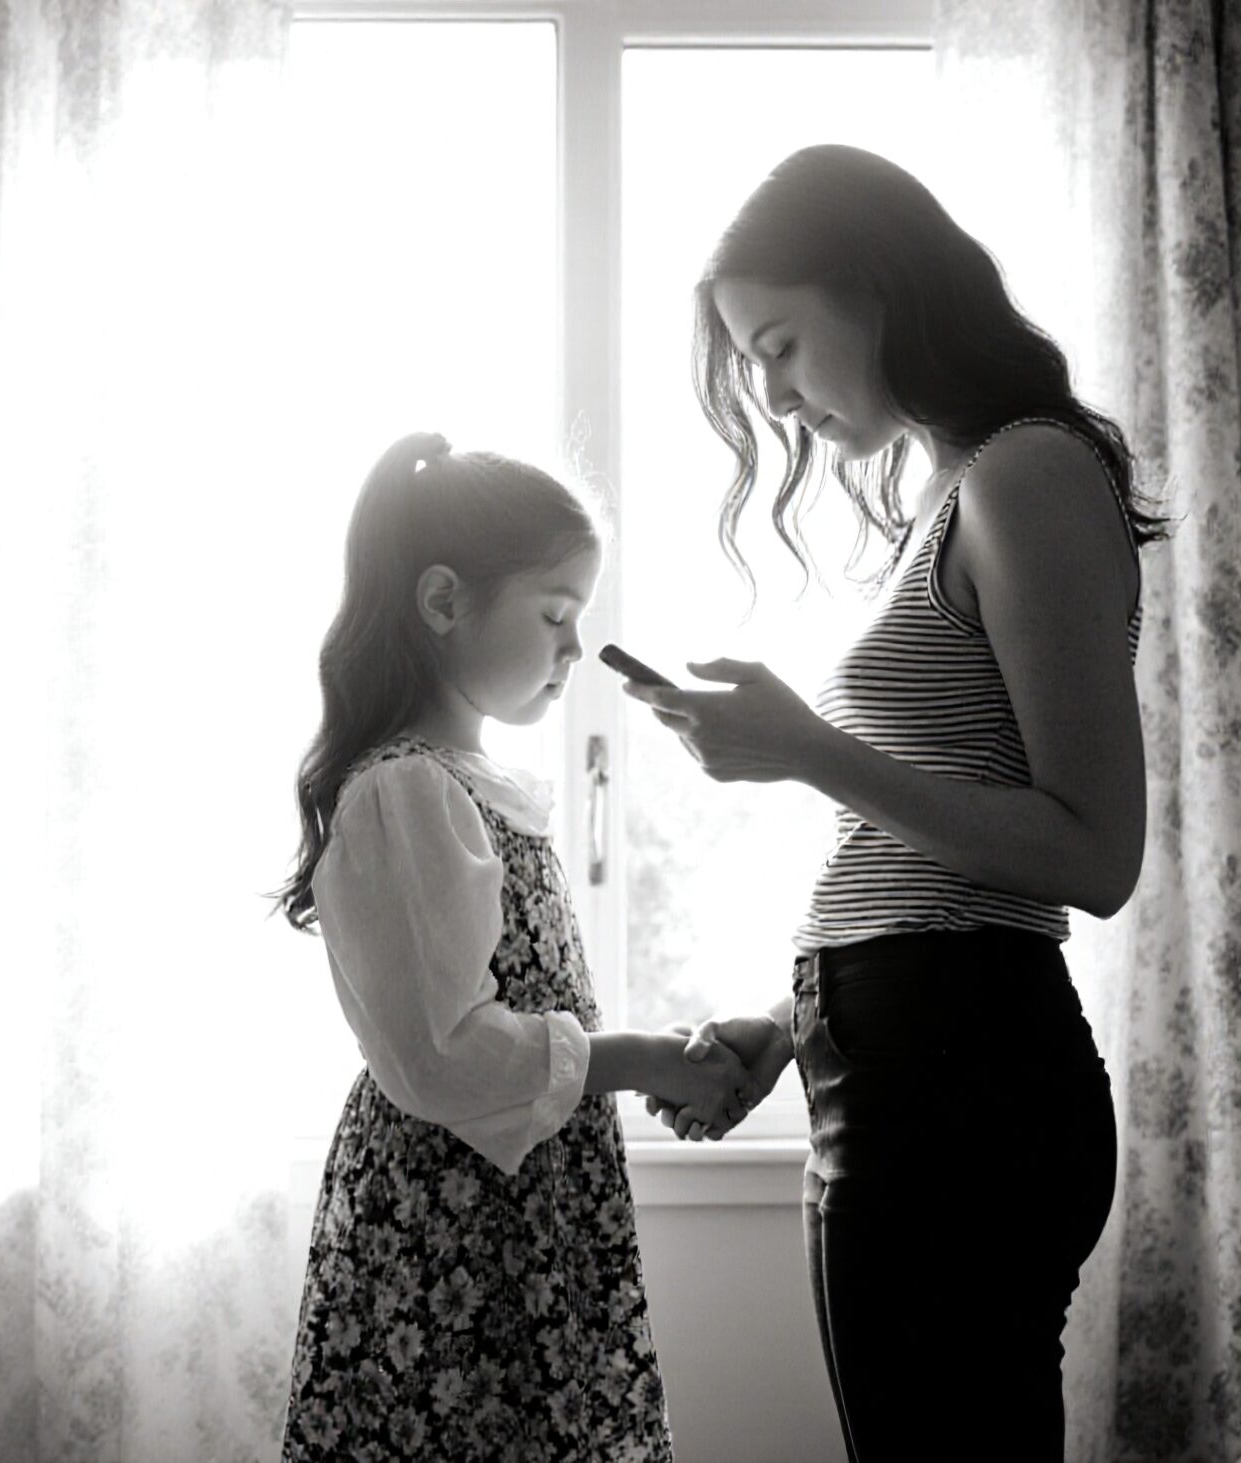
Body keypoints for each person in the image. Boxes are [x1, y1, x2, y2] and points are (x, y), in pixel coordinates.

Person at [625, 144, 1164, 1461]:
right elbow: (931, 854)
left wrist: (808, 747)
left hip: (961, 1079)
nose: (773, 393)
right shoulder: (959, 489)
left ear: (875, 292)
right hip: (906, 1062)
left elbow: (1095, 850)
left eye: (783, 343)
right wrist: (798, 1017)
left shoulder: (1025, 475)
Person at [273, 432, 754, 1463]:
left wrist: (638, 1058)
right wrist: (632, 1058)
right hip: (449, 1231)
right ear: (443, 601)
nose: (575, 649)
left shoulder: (473, 787)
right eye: (554, 615)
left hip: (520, 1214)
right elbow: (441, 1053)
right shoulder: (407, 789)